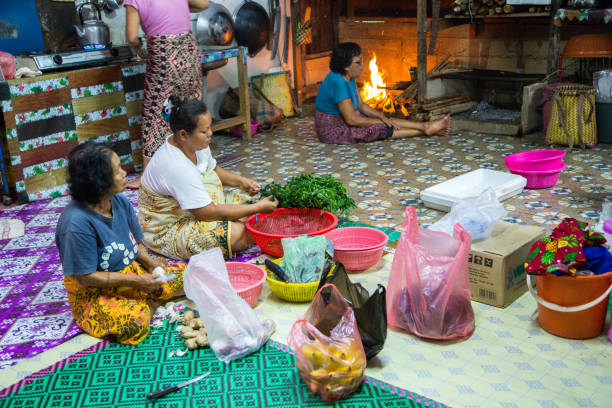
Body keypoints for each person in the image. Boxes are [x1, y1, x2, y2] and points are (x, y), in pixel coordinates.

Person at [55, 142, 185, 345]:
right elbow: (86, 277)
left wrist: (151, 265)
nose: (125, 173)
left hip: (131, 275)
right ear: (98, 182)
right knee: (136, 321)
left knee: (185, 276)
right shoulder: (76, 223)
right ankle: (146, 304)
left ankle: (146, 301)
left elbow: (136, 245)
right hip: (94, 292)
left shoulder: (119, 201)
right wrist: (138, 282)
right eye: (117, 171)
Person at [138, 96, 278, 261]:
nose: (210, 134)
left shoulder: (195, 144)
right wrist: (256, 209)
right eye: (204, 131)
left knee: (260, 205)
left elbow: (213, 169)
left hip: (197, 209)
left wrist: (242, 182)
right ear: (183, 134)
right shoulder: (176, 166)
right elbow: (208, 213)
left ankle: (237, 231)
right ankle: (235, 237)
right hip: (170, 228)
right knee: (239, 232)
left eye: (210, 127)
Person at [124, 0, 209, 188]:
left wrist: (138, 47)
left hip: (164, 55)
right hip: (189, 51)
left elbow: (131, 36)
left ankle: (148, 178)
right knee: (189, 110)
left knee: (155, 113)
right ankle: (196, 165)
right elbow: (203, 4)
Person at [314, 42, 451, 145]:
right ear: (346, 66)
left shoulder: (349, 76)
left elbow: (361, 105)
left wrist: (381, 116)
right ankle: (426, 130)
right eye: (358, 62)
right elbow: (352, 120)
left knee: (384, 119)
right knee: (377, 128)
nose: (363, 65)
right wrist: (380, 121)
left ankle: (426, 127)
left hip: (345, 119)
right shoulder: (338, 82)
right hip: (333, 130)